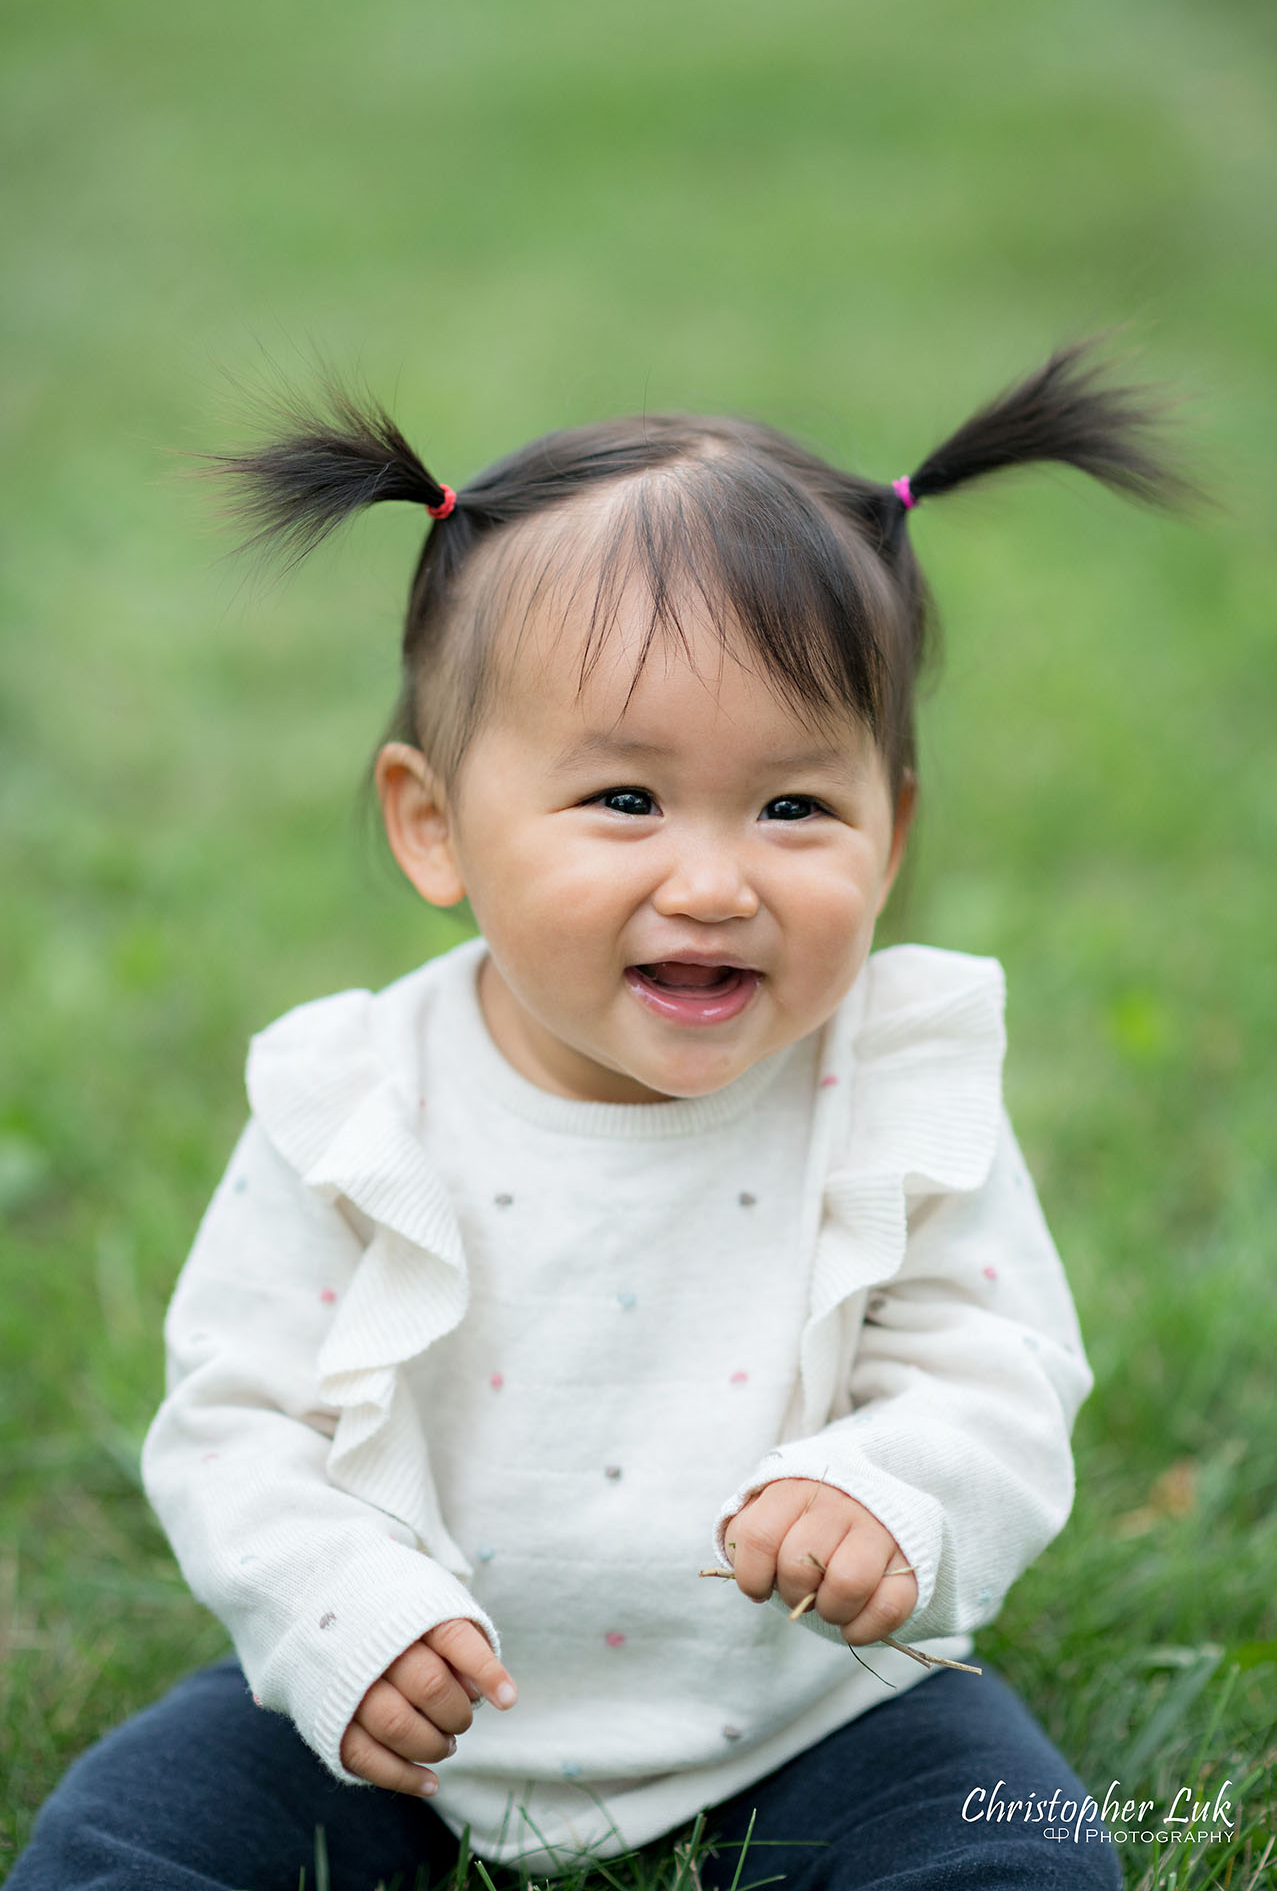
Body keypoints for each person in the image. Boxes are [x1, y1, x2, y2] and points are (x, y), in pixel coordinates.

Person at [11, 343, 1189, 1889]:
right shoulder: (356, 1100)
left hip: (816, 1704)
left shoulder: (890, 1082)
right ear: (434, 825)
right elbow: (243, 1420)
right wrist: (338, 1612)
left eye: (793, 807)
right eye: (625, 800)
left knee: (1017, 1862)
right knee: (129, 1843)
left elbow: (995, 1366)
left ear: (892, 832)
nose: (712, 881)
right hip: (406, 1707)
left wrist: (887, 1491)